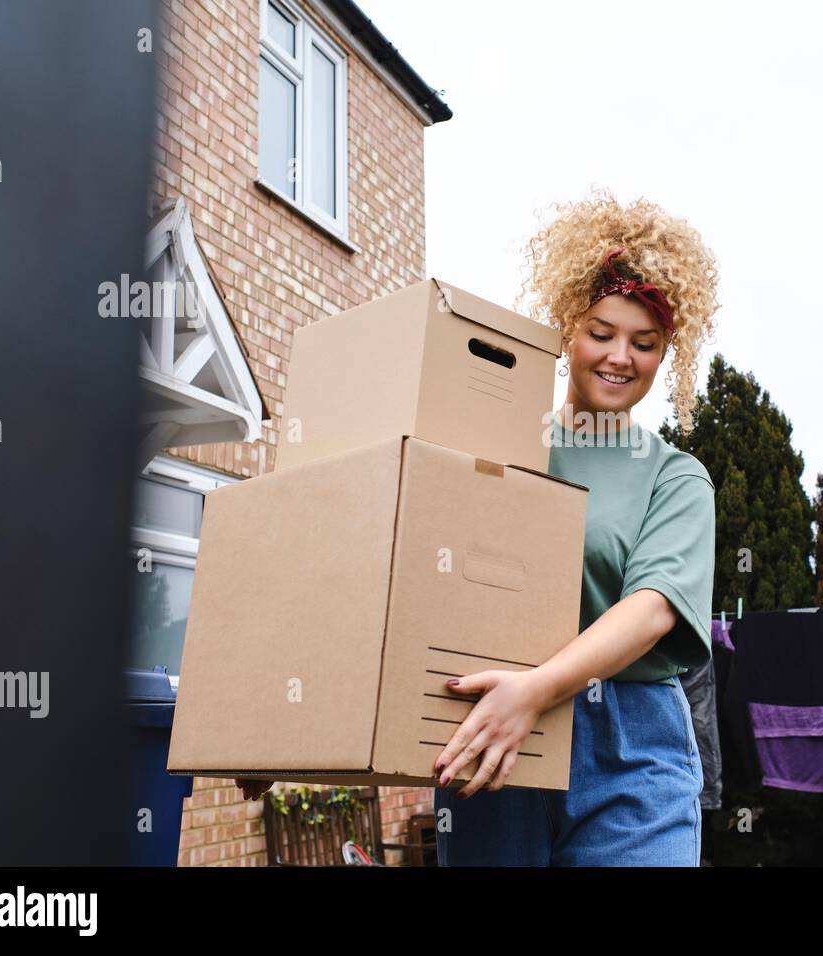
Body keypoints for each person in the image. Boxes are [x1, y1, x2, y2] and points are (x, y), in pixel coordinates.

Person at [241, 189, 720, 867]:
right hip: (487, 728)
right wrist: (286, 712)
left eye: (644, 343)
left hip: (631, 746)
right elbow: (386, 551)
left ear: (668, 352)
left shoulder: (674, 477)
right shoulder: (495, 438)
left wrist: (540, 689)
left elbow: (652, 611)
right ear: (565, 326)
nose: (619, 357)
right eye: (600, 332)